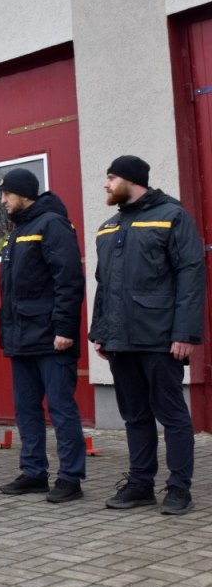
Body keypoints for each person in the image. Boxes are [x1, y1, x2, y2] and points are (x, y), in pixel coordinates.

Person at [90, 155, 206, 515]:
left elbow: (191, 275)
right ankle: (140, 484)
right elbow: (103, 285)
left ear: (131, 180)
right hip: (120, 340)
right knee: (135, 416)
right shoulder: (109, 227)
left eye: (111, 178)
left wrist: (184, 333)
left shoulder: (172, 216)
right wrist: (100, 332)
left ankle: (179, 488)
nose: (106, 184)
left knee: (172, 415)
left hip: (159, 337)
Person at [0, 169, 86, 503]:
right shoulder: (19, 231)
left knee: (61, 409)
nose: (2, 200)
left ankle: (70, 478)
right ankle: (34, 472)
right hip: (22, 338)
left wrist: (64, 329)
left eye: (7, 194)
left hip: (50, 338)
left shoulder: (52, 225)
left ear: (24, 193)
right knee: (26, 409)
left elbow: (68, 280)